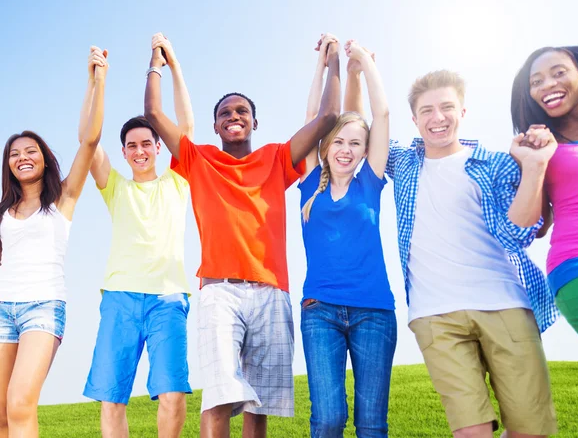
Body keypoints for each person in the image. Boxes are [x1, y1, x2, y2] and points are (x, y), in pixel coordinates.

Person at [144, 34, 340, 438]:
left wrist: (332, 61)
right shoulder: (198, 159)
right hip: (220, 291)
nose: (234, 116)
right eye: (225, 113)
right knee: (218, 397)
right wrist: (156, 61)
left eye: (242, 111)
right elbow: (152, 112)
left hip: (271, 291)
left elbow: (327, 118)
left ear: (254, 121)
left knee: (259, 405)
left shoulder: (276, 157)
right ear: (215, 125)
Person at [346, 70, 559, 437]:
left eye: (446, 107)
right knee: (471, 432)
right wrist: (355, 69)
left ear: (463, 111)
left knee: (531, 430)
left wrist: (534, 164)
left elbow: (519, 234)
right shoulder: (404, 163)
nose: (437, 117)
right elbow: (357, 126)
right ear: (414, 119)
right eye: (426, 110)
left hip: (504, 304)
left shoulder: (496, 163)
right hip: (435, 315)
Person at [82, 33, 193, 438]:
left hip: (168, 299)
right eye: (132, 145)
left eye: (147, 143)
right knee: (112, 399)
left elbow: (187, 125)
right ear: (125, 152)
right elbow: (88, 140)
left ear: (159, 148)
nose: (140, 150)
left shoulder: (177, 183)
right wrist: (98, 79)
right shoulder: (115, 187)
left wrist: (170, 65)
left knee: (173, 396)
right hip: (120, 299)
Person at [0, 46, 107, 438]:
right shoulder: (2, 212)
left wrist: (96, 79)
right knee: (0, 414)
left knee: (21, 402)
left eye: (30, 151)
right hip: (1, 310)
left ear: (44, 158)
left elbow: (90, 141)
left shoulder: (63, 198)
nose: (22, 157)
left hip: (42, 309)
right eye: (14, 154)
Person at [298, 38, 396, 438]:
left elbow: (383, 112)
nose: (345, 149)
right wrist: (324, 65)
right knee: (328, 418)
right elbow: (312, 119)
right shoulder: (308, 185)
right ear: (326, 147)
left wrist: (364, 62)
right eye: (338, 141)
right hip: (320, 310)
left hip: (373, 311)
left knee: (371, 425)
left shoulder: (370, 183)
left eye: (355, 143)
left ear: (364, 151)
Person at [511, 46, 578, 359]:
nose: (547, 84)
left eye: (558, 73)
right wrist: (534, 163)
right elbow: (532, 227)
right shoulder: (540, 145)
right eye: (536, 81)